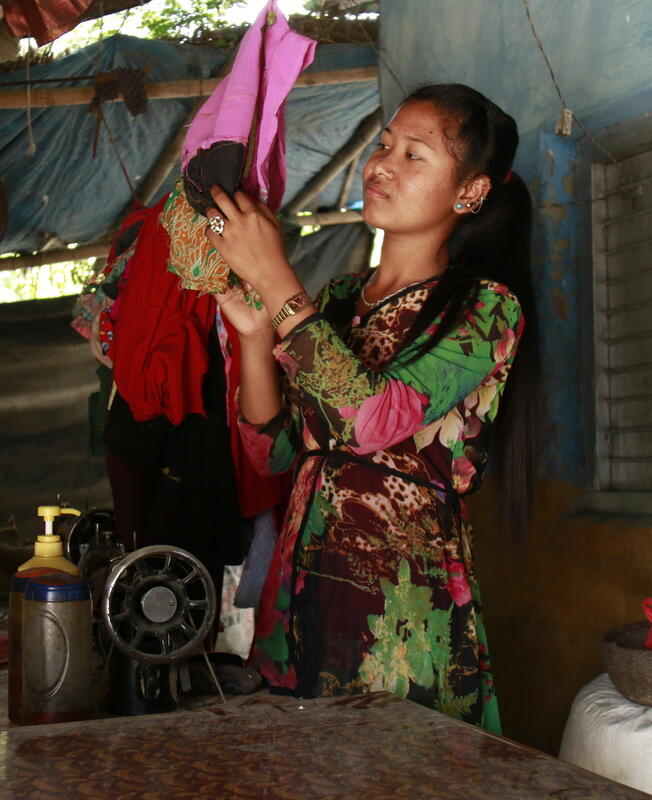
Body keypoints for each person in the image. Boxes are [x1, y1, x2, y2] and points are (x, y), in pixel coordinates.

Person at [204, 83, 537, 733]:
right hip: (298, 600)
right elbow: (271, 452)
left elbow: (368, 422)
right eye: (383, 145)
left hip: (398, 608)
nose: (382, 164)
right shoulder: (334, 299)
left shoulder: (485, 307)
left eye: (415, 154)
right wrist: (252, 338)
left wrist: (276, 281)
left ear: (470, 192)